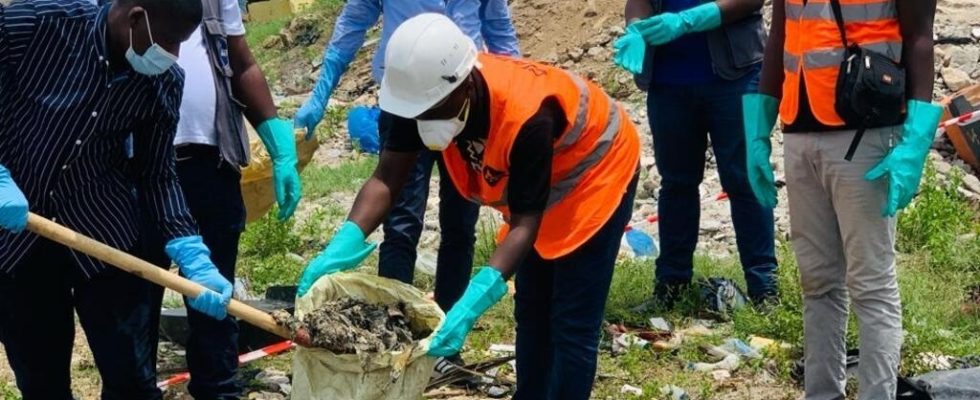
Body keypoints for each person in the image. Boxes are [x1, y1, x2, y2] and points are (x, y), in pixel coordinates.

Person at [297, 14, 641, 399]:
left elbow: (526, 223)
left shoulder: (527, 115)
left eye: (434, 110)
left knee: (570, 320)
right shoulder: (415, 98)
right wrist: (344, 241)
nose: (424, 121)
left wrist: (477, 296)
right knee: (532, 309)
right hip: (534, 183)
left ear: (466, 84)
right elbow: (386, 178)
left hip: (593, 174)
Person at [0, 0, 234, 399]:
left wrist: (190, 249)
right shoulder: (30, 25)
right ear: (135, 17)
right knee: (41, 381)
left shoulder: (162, 81)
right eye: (169, 39)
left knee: (133, 382)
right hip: (16, 241)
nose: (173, 55)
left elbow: (157, 175)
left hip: (104, 233)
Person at [291, 0, 520, 370]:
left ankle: (445, 343)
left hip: (465, 101)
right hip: (407, 99)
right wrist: (322, 90)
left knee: (461, 226)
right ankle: (391, 339)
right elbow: (354, 21)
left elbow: (499, 30)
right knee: (401, 224)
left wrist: (512, 101)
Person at [746, 0, 940, 398]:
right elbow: (779, 37)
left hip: (865, 131)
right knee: (816, 281)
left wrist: (916, 139)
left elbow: (920, 37)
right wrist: (758, 127)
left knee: (871, 283)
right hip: (799, 129)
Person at [133, 0, 301, 398]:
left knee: (214, 292)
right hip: (136, 165)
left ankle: (218, 388)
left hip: (210, 161)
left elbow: (241, 62)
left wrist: (278, 142)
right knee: (135, 295)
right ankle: (134, 390)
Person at [613, 0, 778, 307]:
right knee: (676, 184)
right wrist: (635, 28)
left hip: (737, 76)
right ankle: (671, 288)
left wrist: (689, 20)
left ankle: (764, 288)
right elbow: (640, 2)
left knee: (746, 178)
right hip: (668, 83)